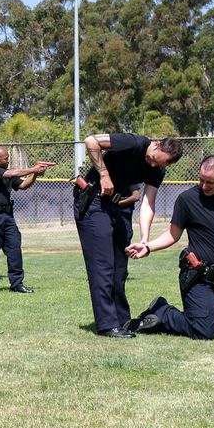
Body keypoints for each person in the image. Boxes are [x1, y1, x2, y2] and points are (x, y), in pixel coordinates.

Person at [124, 155, 214, 340]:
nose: (204, 186)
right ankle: (163, 311)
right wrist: (148, 247)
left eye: (210, 182)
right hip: (197, 275)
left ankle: (166, 310)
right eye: (201, 180)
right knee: (204, 332)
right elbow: (173, 234)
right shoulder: (187, 199)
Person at [74, 133, 182, 338]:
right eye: (152, 159)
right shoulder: (134, 143)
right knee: (103, 264)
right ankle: (107, 325)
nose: (151, 166)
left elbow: (148, 204)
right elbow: (91, 141)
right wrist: (104, 175)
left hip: (118, 206)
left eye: (158, 165)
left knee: (119, 268)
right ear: (157, 145)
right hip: (93, 201)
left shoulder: (157, 170)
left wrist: (144, 239)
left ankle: (121, 320)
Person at [0, 146, 46, 293]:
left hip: (8, 218)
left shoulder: (7, 174)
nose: (8, 159)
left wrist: (36, 175)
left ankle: (17, 284)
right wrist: (33, 168)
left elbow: (23, 185)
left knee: (14, 249)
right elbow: (12, 173)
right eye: (6, 158)